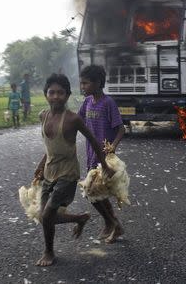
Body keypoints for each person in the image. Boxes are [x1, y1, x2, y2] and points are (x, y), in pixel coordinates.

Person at [33, 73, 113, 267]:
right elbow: (50, 146)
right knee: (44, 217)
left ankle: (49, 251)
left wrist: (104, 165)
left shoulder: (72, 119)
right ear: (46, 95)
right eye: (52, 92)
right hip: (49, 172)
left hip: (68, 173)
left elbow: (93, 140)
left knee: (48, 214)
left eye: (61, 93)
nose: (56, 96)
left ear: (67, 95)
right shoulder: (43, 116)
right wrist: (41, 164)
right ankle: (80, 218)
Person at [78, 65, 126, 244]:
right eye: (81, 83)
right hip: (91, 153)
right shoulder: (87, 102)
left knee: (92, 191)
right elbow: (79, 120)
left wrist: (113, 146)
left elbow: (121, 129)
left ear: (98, 82)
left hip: (105, 157)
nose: (82, 86)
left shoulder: (108, 103)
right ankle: (115, 225)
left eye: (86, 83)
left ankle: (110, 223)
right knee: (97, 193)